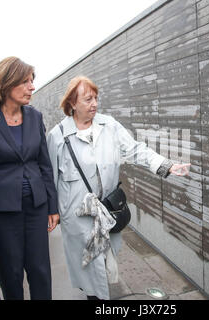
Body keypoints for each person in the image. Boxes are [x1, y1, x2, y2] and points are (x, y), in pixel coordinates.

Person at [47, 76, 190, 300]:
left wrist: (166, 166)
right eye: (87, 99)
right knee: (88, 269)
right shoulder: (57, 136)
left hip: (106, 211)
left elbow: (135, 150)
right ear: (72, 103)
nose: (94, 103)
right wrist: (51, 211)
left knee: (103, 265)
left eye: (95, 98)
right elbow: (50, 176)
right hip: (77, 215)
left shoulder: (109, 125)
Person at [0, 56, 59, 300]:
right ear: (7, 83)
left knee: (40, 270)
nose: (32, 87)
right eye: (26, 82)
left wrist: (52, 206)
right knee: (11, 272)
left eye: (32, 81)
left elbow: (44, 164)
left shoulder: (34, 116)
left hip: (36, 207)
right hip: (1, 212)